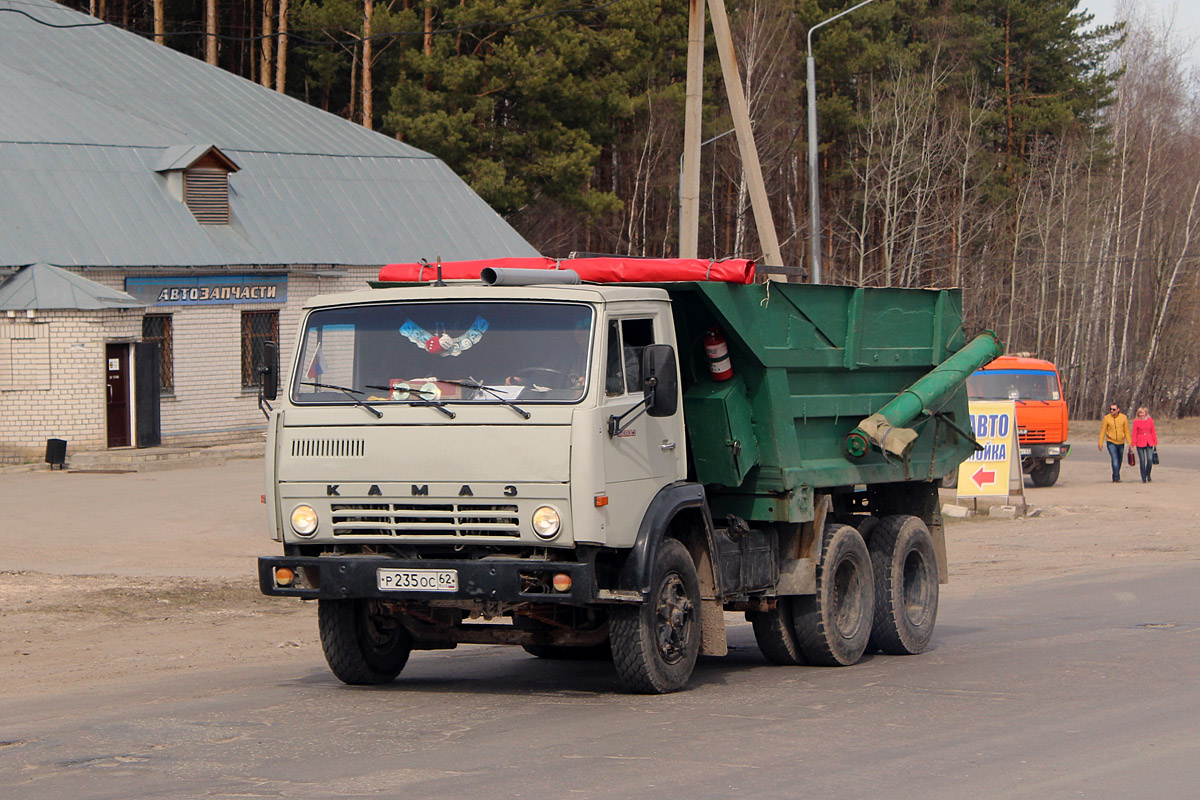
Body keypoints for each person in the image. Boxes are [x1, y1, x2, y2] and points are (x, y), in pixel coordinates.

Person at [1098, 403, 1132, 483]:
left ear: (1118, 410)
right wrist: (1100, 443)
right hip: (1111, 441)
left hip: (1121, 442)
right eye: (1110, 409)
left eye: (1113, 409)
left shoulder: (1123, 418)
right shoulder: (1107, 418)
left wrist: (1129, 442)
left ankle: (1116, 474)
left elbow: (1126, 430)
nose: (1111, 411)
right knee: (1114, 459)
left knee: (1119, 460)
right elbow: (1103, 431)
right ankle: (1116, 477)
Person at [1132, 406, 1158, 483]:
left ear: (1146, 413)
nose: (1141, 414)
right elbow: (1134, 432)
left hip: (1149, 441)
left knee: (1150, 459)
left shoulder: (1150, 420)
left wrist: (1155, 441)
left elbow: (1153, 430)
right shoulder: (1136, 421)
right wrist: (1133, 442)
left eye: (1143, 412)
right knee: (1142, 460)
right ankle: (1143, 477)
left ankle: (1148, 474)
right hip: (1140, 441)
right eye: (1140, 413)